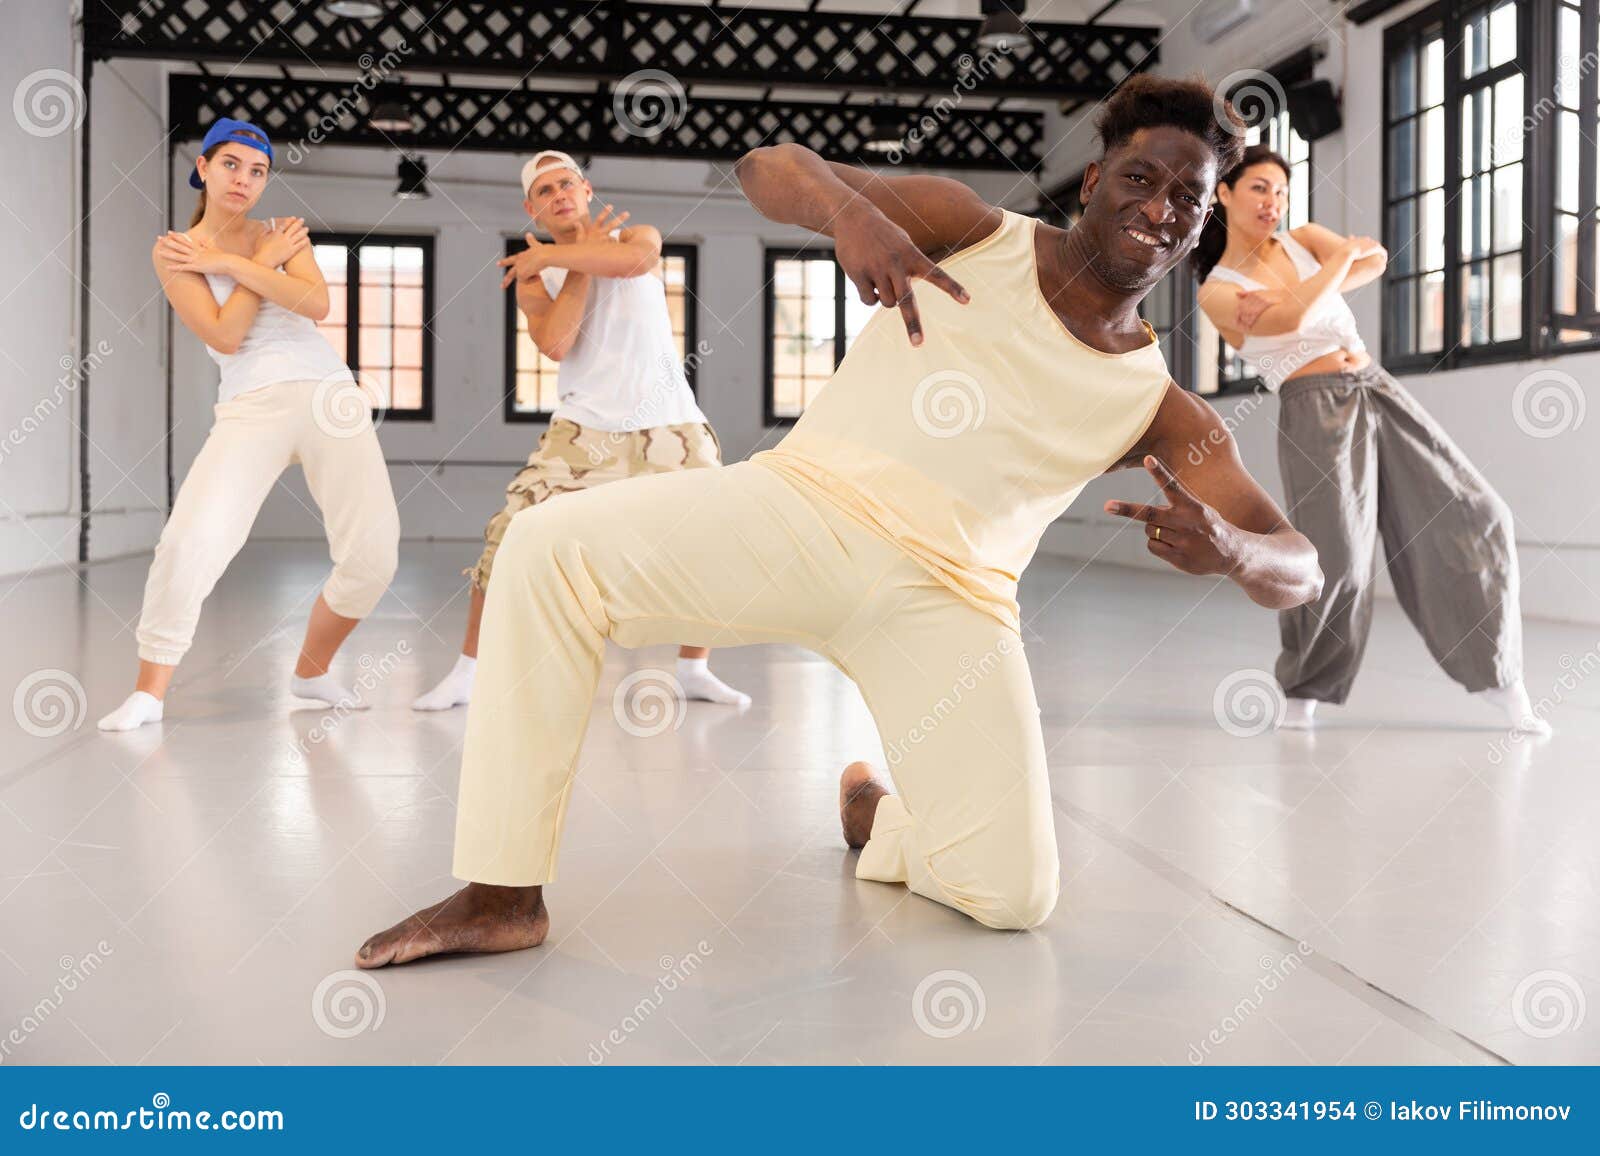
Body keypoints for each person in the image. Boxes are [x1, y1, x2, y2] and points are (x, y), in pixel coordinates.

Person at [353, 75, 1323, 966]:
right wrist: (848, 215)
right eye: (1140, 177)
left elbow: (1299, 563)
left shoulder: (1157, 403)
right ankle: (502, 891)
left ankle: (881, 818)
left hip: (949, 603)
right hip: (796, 508)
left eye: (1186, 200)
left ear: (1200, 228)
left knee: (1013, 896)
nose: (1158, 208)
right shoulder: (974, 228)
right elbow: (767, 167)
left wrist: (1235, 549)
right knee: (541, 548)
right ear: (1095, 176)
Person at [1194, 144, 1548, 734]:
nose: (1273, 202)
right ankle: (1304, 688)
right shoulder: (1218, 290)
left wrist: (1310, 288)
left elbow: (1376, 258)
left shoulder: (1302, 238)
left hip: (1376, 388)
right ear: (1225, 193)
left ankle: (1499, 679)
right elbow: (1291, 322)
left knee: (1478, 511)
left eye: (1280, 190)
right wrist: (1329, 272)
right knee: (1336, 558)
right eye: (1258, 188)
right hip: (1313, 409)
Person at [410, 150, 749, 712]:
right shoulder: (534, 275)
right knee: (509, 536)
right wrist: (571, 260)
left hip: (670, 421)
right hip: (583, 431)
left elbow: (635, 264)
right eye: (545, 191)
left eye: (566, 183)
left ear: (587, 190)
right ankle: (468, 673)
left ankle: (693, 668)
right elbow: (558, 342)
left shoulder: (638, 234)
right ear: (532, 207)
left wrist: (570, 254)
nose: (559, 194)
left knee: (709, 540)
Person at [98, 119, 399, 732]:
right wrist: (259, 265)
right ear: (204, 168)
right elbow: (227, 335)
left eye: (258, 170)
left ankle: (312, 673)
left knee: (374, 555)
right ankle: (149, 694)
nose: (245, 179)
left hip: (328, 396)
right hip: (250, 403)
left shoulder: (281, 231)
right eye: (232, 165)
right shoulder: (176, 250)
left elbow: (316, 306)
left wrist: (237, 261)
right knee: (190, 541)